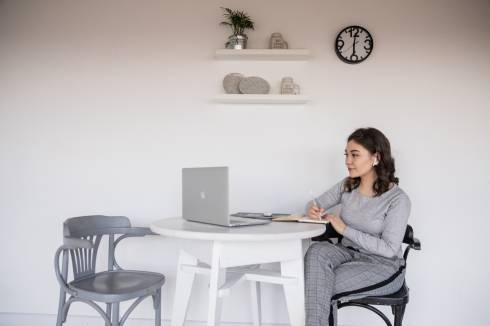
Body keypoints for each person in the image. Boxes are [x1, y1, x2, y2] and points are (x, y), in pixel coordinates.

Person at [304, 127, 411, 326]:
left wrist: (344, 229)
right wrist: (313, 210)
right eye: (346, 154)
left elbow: (389, 249)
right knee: (317, 251)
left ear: (376, 157)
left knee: (317, 285)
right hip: (347, 254)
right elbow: (313, 204)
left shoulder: (398, 199)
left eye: (354, 155)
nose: (347, 161)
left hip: (382, 265)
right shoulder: (347, 185)